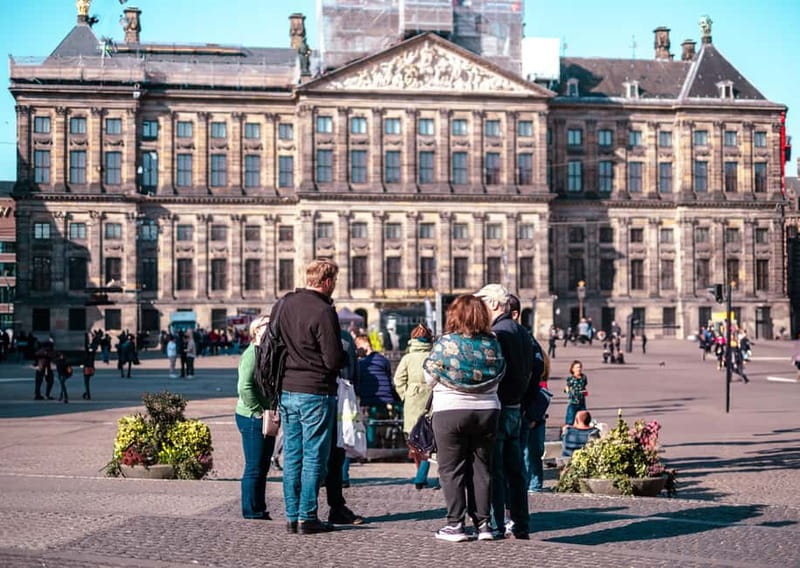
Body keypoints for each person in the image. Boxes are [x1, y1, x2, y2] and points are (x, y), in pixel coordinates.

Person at [423, 294, 505, 542]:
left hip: (451, 409)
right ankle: (484, 526)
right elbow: (502, 372)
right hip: (488, 410)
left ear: (454, 316)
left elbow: (429, 376)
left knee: (452, 470)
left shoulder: (446, 342)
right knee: (482, 470)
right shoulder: (493, 343)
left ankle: (455, 525)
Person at [275, 259, 346, 535]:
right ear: (327, 281)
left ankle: (292, 516)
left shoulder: (284, 304)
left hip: (287, 389)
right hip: (315, 391)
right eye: (334, 282)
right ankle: (308, 517)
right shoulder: (323, 310)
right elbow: (332, 360)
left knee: (292, 455)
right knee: (315, 456)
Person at [476, 285, 533, 540]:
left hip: (499, 408)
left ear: (496, 305)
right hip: (516, 408)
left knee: (495, 470)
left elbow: (494, 372)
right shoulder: (522, 331)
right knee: (517, 471)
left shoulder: (497, 333)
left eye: (483, 305)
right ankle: (520, 523)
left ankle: (497, 524)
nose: (481, 311)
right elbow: (536, 369)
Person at [235, 316, 277, 520]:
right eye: (266, 325)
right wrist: (258, 410)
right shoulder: (252, 353)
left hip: (266, 415)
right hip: (252, 416)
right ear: (256, 330)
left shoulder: (266, 352)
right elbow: (244, 386)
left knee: (263, 464)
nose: (270, 328)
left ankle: (259, 507)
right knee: (254, 465)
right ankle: (251, 510)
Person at [325, 329, 364, 526]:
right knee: (332, 456)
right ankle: (331, 508)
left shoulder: (342, 337)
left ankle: (305, 509)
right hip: (333, 400)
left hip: (329, 398)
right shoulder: (343, 337)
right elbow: (352, 371)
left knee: (331, 456)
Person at [393, 323, 434, 489]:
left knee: (414, 439)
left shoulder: (407, 358)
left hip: (412, 399)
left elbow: (398, 380)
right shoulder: (433, 356)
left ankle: (420, 474)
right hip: (431, 399)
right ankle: (421, 474)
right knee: (429, 438)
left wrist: (405, 394)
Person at [353, 333, 397, 450]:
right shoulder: (384, 360)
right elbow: (388, 377)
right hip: (386, 399)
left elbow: (357, 382)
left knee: (368, 423)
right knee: (384, 423)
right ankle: (386, 445)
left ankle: (370, 447)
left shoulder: (361, 364)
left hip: (368, 399)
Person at [523, 352, 551, 493]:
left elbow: (543, 398)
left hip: (534, 419)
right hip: (531, 418)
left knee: (531, 453)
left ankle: (534, 484)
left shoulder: (539, 381)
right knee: (529, 454)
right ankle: (532, 483)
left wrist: (534, 418)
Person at [564, 360, 587, 428]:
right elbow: (567, 387)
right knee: (570, 419)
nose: (579, 369)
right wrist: (569, 391)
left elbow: (584, 386)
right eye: (577, 367)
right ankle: (567, 432)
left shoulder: (583, 377)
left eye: (580, 367)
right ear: (572, 369)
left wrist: (584, 392)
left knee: (583, 419)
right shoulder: (571, 379)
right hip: (573, 402)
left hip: (582, 402)